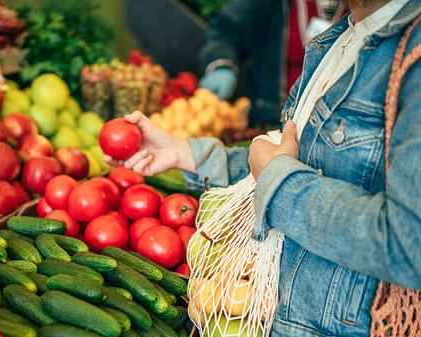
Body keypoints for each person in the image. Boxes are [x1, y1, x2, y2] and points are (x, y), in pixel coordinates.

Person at [106, 0, 421, 336]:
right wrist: (184, 153)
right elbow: (293, 165)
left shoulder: (411, 58)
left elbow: (408, 242)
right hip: (274, 314)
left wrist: (280, 182)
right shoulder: (341, 38)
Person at [199, 0, 347, 126]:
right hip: (272, 121)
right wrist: (222, 64)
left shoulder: (362, 8)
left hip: (333, 129)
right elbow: (225, 31)